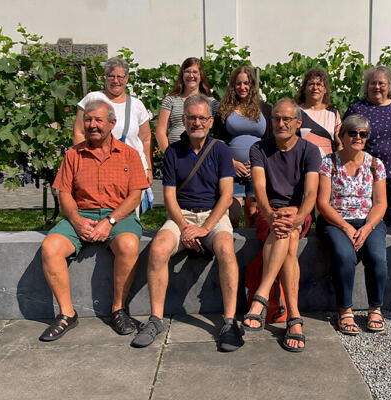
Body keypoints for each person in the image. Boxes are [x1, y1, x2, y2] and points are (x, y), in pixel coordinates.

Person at [132, 94, 243, 352]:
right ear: (183, 120)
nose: (197, 122)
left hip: (212, 216)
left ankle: (229, 321)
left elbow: (227, 196)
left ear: (210, 121)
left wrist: (204, 228)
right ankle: (156, 319)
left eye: (202, 117)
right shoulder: (173, 151)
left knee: (227, 248)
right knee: (158, 249)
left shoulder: (220, 150)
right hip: (180, 214)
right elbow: (169, 196)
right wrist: (184, 228)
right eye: (192, 117)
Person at [39, 100, 149, 341]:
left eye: (98, 120)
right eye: (88, 120)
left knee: (129, 245)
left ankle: (118, 310)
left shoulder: (129, 155)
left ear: (112, 123)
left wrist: (109, 221)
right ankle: (67, 314)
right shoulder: (73, 154)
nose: (92, 125)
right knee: (50, 247)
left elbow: (135, 195)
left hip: (118, 214)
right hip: (81, 213)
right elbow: (64, 193)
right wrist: (77, 221)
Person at [244, 98, 321, 352]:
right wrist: (269, 214)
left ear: (298, 123)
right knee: (288, 242)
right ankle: (294, 318)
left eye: (287, 119)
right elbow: (259, 189)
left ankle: (261, 297)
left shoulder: (310, 150)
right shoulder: (259, 148)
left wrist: (297, 218)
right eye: (276, 118)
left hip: (298, 212)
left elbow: (311, 194)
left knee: (287, 232)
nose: (281, 123)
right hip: (271, 214)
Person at [316, 114, 388, 335]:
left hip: (368, 220)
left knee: (377, 256)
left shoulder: (375, 164)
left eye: (363, 134)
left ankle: (375, 307)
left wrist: (366, 228)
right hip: (335, 220)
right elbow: (322, 203)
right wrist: (346, 227)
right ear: (342, 135)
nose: (358, 137)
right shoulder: (329, 162)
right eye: (353, 133)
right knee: (345, 256)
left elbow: (380, 203)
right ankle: (345, 310)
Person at [343, 65, 391, 227]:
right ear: (367, 86)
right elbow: (344, 139)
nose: (377, 87)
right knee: (367, 222)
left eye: (381, 83)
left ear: (389, 86)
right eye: (372, 83)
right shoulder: (357, 109)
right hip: (366, 179)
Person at [74, 57, 153, 186]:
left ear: (126, 78)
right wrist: (83, 162)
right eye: (111, 76)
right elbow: (79, 132)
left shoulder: (137, 105)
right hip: (97, 167)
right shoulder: (93, 98)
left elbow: (145, 138)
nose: (115, 81)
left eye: (120, 77)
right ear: (105, 77)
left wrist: (148, 168)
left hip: (132, 169)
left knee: (131, 204)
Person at [213, 66, 273, 228]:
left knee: (253, 211)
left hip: (257, 168)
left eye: (246, 83)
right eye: (238, 84)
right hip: (231, 168)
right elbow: (217, 141)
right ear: (233, 85)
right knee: (232, 212)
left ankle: (249, 249)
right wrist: (231, 162)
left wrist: (259, 163)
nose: (242, 87)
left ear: (252, 85)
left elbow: (271, 140)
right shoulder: (223, 109)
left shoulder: (265, 109)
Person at [155, 57, 218, 151]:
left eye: (195, 72)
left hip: (202, 155)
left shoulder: (211, 102)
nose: (191, 75)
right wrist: (169, 155)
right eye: (187, 71)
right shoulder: (171, 100)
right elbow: (160, 131)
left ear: (201, 76)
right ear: (182, 75)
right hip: (176, 154)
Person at [296, 68, 341, 156]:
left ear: (325, 89)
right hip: (302, 165)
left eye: (319, 84)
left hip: (327, 166)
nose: (315, 88)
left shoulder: (333, 114)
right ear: (304, 89)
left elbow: (339, 143)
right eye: (311, 84)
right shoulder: (296, 112)